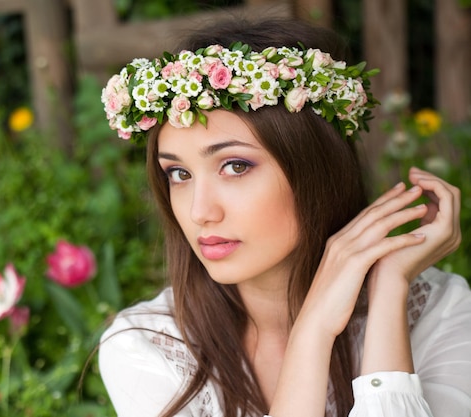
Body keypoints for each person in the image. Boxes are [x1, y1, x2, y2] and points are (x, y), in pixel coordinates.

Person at [98, 17, 471, 417]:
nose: (199, 212)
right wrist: (313, 331)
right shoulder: (147, 346)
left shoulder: (441, 311)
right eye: (179, 174)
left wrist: (388, 290)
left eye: (235, 166)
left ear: (317, 170)